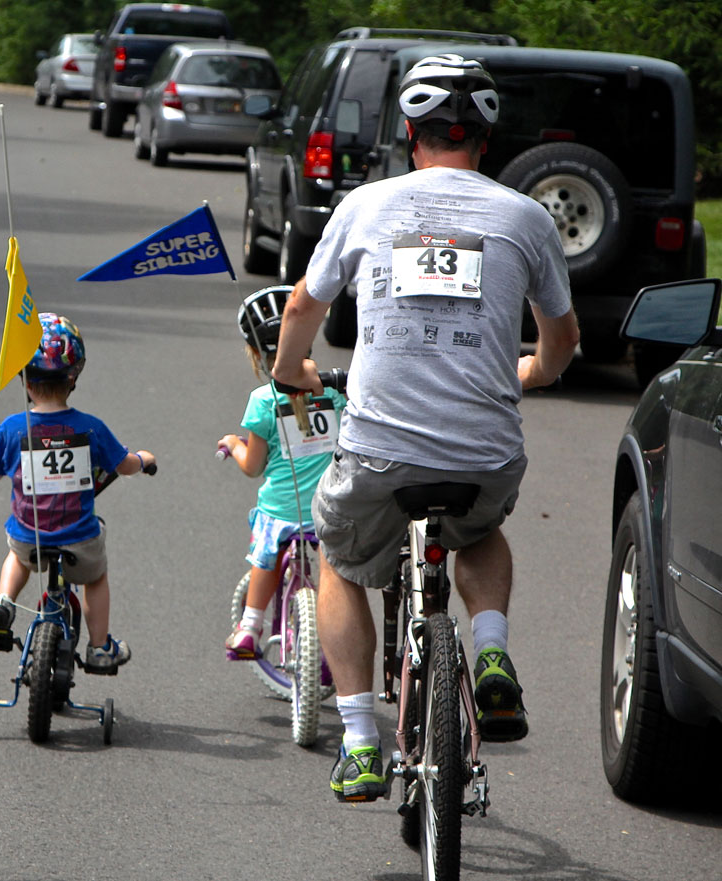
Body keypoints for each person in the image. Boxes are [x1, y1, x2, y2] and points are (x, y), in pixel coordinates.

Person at [271, 54, 581, 802]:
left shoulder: (366, 205)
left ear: (410, 135)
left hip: (380, 450)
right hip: (485, 454)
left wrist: (290, 371)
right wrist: (534, 371)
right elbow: (563, 339)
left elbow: (301, 308)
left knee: (340, 558)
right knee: (478, 529)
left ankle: (359, 740)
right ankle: (492, 651)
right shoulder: (526, 217)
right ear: (485, 140)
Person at [0, 313, 155, 674]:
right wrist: (143, 459)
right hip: (79, 539)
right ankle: (100, 647)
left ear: (24, 378)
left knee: (16, 556)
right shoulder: (91, 428)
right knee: (95, 577)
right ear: (73, 377)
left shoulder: (13, 428)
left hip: (30, 537)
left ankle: (4, 601)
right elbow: (124, 465)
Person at [218, 286, 346, 659]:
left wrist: (234, 444)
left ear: (258, 355)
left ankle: (250, 626)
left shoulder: (263, 401)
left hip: (284, 509)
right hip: (330, 507)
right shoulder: (332, 394)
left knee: (267, 553)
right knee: (335, 574)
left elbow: (253, 466)